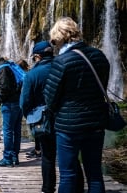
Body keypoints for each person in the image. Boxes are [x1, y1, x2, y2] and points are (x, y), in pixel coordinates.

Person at [44, 17, 109, 193]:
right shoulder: (99, 56)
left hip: (69, 126)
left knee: (68, 174)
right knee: (95, 174)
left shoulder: (61, 61)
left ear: (59, 36)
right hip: (96, 123)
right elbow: (102, 87)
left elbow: (50, 99)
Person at [20, 41, 56, 193]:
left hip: (44, 120)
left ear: (37, 56)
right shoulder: (63, 66)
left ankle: (48, 188)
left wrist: (30, 115)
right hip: (67, 117)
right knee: (71, 156)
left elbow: (24, 102)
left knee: (48, 156)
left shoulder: (32, 74)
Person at [16, 59, 41, 158]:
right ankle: (37, 148)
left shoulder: (27, 76)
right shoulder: (30, 73)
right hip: (35, 105)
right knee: (36, 129)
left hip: (33, 106)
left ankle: (38, 150)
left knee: (36, 129)